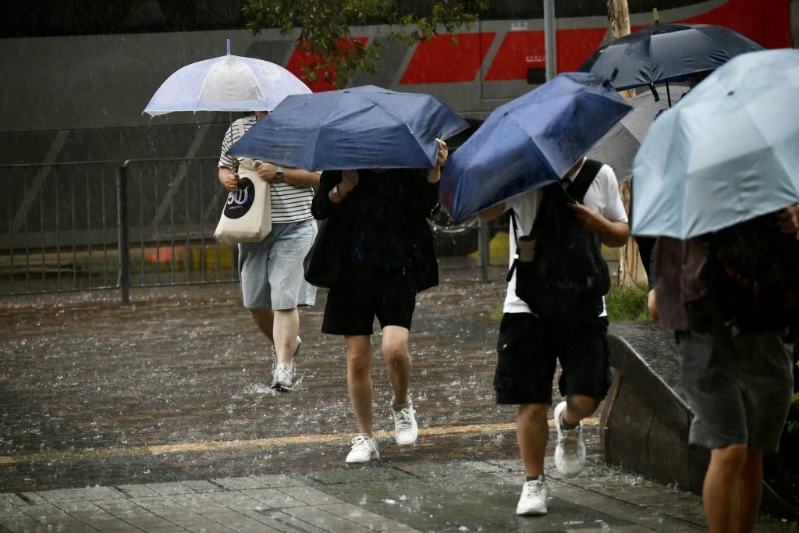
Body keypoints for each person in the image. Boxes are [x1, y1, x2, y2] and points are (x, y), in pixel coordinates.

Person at [478, 156, 630, 516]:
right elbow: (485, 213)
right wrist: (498, 178)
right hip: (526, 304)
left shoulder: (600, 174)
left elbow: (622, 232)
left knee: (588, 394)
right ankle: (533, 481)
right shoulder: (522, 172)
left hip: (585, 302)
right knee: (530, 400)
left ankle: (569, 421)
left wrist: (599, 223)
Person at [647, 206, 799, 533]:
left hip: (765, 323)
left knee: (754, 454)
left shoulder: (779, 178)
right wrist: (661, 284)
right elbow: (663, 261)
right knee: (731, 448)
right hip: (706, 328)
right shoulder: (692, 178)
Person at [310, 139, 448, 464]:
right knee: (358, 357)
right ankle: (365, 436)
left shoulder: (407, 160)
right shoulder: (342, 158)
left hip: (398, 268)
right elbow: (320, 208)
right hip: (351, 271)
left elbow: (428, 207)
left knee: (394, 349)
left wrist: (435, 169)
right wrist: (343, 188)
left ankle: (402, 404)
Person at [218, 111, 321, 392]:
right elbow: (225, 166)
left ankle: (283, 367)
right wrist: (227, 179)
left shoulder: (301, 128)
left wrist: (279, 173)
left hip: (295, 224)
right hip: (250, 226)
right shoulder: (238, 128)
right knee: (255, 302)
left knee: (284, 298)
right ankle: (289, 343)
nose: (265, 107)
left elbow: (319, 177)